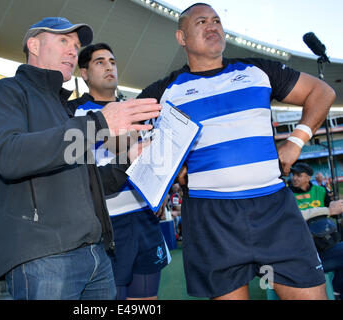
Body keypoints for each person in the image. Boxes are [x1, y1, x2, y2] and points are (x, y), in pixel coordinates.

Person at [138, 3, 336, 300]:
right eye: (201, 21)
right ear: (182, 38)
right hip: (210, 216)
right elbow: (124, 136)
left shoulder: (257, 71)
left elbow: (322, 91)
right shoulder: (164, 91)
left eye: (217, 20)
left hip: (274, 209)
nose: (212, 26)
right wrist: (167, 165)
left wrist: (296, 140)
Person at [0, 17, 161, 300]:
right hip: (43, 257)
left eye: (76, 45)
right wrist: (98, 123)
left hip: (96, 253)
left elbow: (90, 182)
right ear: (33, 45)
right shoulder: (5, 92)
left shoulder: (65, 110)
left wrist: (128, 159)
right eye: (64, 41)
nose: (73, 50)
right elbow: (9, 156)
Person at [68, 43, 169, 300]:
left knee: (147, 301)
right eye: (99, 62)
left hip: (144, 216)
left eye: (112, 61)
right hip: (108, 224)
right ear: (84, 73)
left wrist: (162, 189)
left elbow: (155, 155)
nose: (109, 66)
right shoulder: (75, 114)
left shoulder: (136, 109)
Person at [289, 162, 343, 299]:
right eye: (293, 175)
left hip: (325, 241)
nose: (294, 178)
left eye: (298, 175)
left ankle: (337, 290)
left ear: (308, 177)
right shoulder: (287, 194)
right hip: (301, 247)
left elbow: (335, 212)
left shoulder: (320, 191)